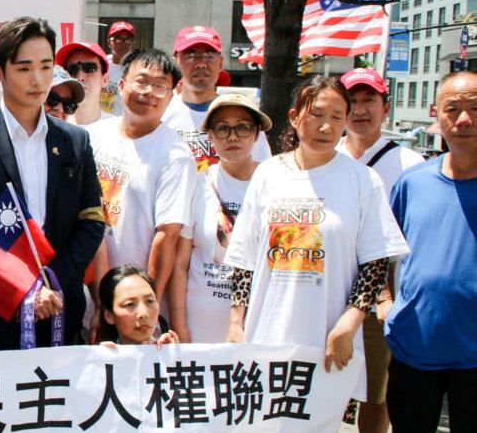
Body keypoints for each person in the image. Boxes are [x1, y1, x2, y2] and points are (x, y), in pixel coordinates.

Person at [357, 70, 477, 433]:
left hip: (473, 356)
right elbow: (387, 251)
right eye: (453, 107)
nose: (464, 117)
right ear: (435, 116)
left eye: (473, 106)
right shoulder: (414, 182)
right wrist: (385, 305)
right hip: (415, 343)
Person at [224, 76, 408, 381]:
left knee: (319, 426)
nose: (326, 127)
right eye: (317, 115)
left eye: (337, 117)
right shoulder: (268, 173)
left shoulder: (363, 180)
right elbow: (244, 259)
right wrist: (235, 323)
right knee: (259, 424)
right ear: (295, 117)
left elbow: (375, 263)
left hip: (329, 339)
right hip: (266, 332)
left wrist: (350, 321)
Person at [0, 16, 105, 353]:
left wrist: (50, 283)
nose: (38, 80)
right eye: (24, 68)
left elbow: (91, 220)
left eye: (46, 67)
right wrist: (22, 289)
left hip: (58, 305)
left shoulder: (75, 140)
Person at [337, 67, 425, 433]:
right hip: (327, 288)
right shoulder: (326, 152)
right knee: (325, 386)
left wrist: (393, 296)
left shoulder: (409, 164)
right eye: (352, 99)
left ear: (385, 107)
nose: (360, 108)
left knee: (376, 390)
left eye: (370, 99)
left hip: (379, 297)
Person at [86, 48, 197, 341]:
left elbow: (168, 235)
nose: (150, 92)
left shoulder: (175, 154)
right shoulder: (93, 136)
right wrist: (99, 301)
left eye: (161, 86)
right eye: (142, 81)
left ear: (172, 95)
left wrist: (146, 307)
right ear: (122, 85)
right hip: (88, 292)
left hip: (134, 311)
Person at [169, 93, 271, 343]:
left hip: (259, 320)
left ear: (257, 134)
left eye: (243, 127)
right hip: (201, 322)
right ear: (211, 136)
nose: (233, 137)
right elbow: (180, 264)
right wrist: (179, 325)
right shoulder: (197, 182)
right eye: (223, 129)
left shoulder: (275, 182)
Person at [163, 26, 271, 171]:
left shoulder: (243, 115)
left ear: (220, 63)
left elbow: (262, 172)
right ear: (175, 63)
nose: (201, 63)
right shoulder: (160, 115)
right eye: (190, 55)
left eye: (209, 55)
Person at [95, 265, 180, 346]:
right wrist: (103, 359)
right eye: (130, 304)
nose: (143, 314)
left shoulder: (172, 354)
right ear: (109, 315)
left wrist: (176, 359)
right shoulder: (100, 358)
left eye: (150, 301)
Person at [54, 40, 112, 126]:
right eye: (72, 69)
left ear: (105, 80)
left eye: (90, 68)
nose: (80, 77)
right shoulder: (51, 127)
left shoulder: (117, 130)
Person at [101, 21, 135, 116]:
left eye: (128, 39)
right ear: (109, 43)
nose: (123, 43)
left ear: (132, 43)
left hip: (123, 122)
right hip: (99, 120)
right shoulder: (101, 64)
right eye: (117, 39)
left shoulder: (137, 68)